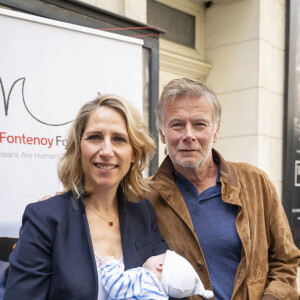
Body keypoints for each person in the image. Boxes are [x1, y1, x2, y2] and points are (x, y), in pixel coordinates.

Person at [145, 78, 300, 300]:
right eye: (177, 124)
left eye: (199, 124)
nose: (189, 135)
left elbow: (285, 259)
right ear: (162, 133)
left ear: (215, 131)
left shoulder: (255, 182)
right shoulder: (144, 197)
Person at [4, 94, 168, 300]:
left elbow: (164, 284)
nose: (106, 151)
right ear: (79, 147)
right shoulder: (44, 219)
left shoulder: (143, 212)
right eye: (95, 137)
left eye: (119, 139)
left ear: (134, 153)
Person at [100, 250, 214, 299]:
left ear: (160, 266)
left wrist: (110, 265)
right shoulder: (160, 296)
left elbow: (115, 285)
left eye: (158, 255)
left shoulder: (143, 278)